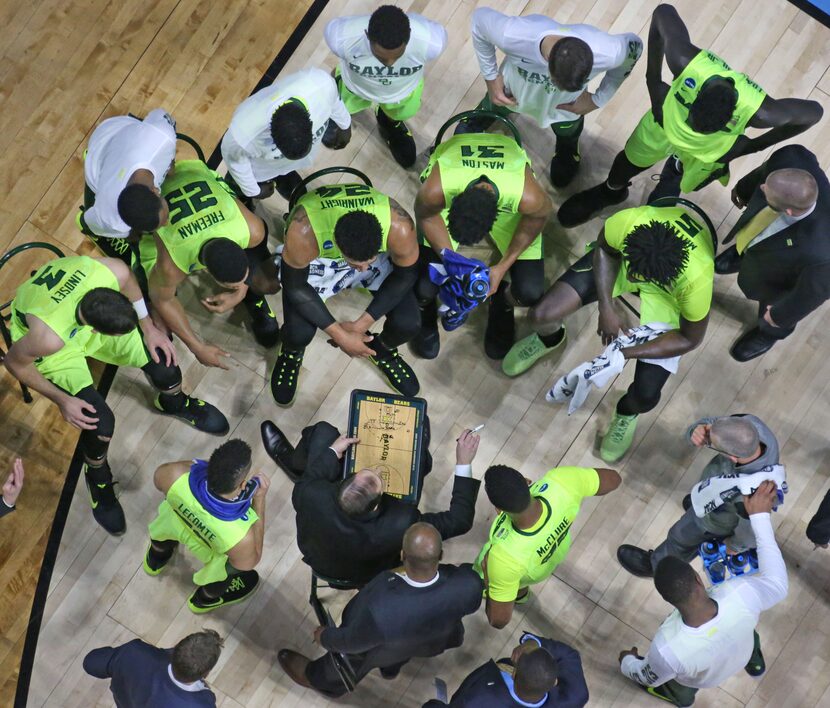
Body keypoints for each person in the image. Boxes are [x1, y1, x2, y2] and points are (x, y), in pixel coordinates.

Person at [4, 256, 228, 535]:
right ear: (96, 330)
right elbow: (13, 362)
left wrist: (148, 329)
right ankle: (96, 475)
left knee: (165, 365)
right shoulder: (47, 339)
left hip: (71, 319)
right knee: (100, 423)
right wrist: (62, 400)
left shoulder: (112, 270)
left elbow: (129, 282)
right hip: (58, 348)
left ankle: (173, 401)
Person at [557, 3, 823, 227]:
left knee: (688, 180)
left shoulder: (763, 112)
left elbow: (814, 114)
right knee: (628, 160)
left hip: (707, 150)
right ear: (696, 95)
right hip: (664, 123)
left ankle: (669, 183)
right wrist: (652, 81)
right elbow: (662, 11)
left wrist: (752, 147)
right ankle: (610, 191)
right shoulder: (686, 61)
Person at [503, 202, 715, 462]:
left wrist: (622, 352)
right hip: (625, 262)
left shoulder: (697, 279)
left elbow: (689, 338)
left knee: (646, 396)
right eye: (634, 274)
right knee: (540, 315)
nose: (635, 279)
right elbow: (605, 251)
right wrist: (606, 305)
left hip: (668, 298)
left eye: (641, 277)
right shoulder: (629, 222)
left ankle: (626, 413)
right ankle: (551, 339)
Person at [619, 481, 788, 706]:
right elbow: (777, 584)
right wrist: (760, 517)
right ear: (698, 579)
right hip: (742, 650)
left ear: (666, 599)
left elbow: (646, 674)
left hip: (705, 679)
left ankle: (680, 698)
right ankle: (754, 662)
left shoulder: (667, 649)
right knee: (748, 632)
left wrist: (626, 662)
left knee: (679, 688)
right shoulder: (741, 595)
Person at [252, 182, 421, 405]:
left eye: (366, 262)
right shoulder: (303, 232)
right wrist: (341, 336)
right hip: (320, 259)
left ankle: (381, 349)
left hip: (362, 251)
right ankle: (291, 353)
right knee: (298, 332)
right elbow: (296, 286)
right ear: (339, 247)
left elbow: (407, 275)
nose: (361, 268)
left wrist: (361, 325)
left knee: (408, 323)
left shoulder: (398, 224)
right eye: (355, 263)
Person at [262, 418, 481, 585]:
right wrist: (463, 462)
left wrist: (333, 451)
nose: (376, 468)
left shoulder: (309, 493)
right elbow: (460, 520)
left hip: (320, 561)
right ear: (376, 505)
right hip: (365, 576)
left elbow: (312, 478)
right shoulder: (402, 523)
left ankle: (295, 465)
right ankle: (419, 455)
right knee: (420, 463)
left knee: (323, 431)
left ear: (343, 483)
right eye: (377, 477)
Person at [278, 522, 483, 697]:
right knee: (400, 655)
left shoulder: (381, 604)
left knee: (358, 659)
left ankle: (318, 679)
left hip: (383, 647)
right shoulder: (469, 583)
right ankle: (390, 669)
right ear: (441, 555)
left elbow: (351, 642)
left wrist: (325, 637)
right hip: (432, 642)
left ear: (403, 554)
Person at [412, 123, 553, 360]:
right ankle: (425, 309)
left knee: (530, 291)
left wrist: (501, 267)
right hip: (457, 172)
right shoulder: (436, 190)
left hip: (506, 184)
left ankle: (502, 302)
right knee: (422, 286)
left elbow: (535, 221)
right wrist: (451, 261)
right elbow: (427, 215)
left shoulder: (528, 197)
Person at [460, 7, 642, 188]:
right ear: (548, 66)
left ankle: (567, 150)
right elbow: (479, 20)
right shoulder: (514, 35)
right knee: (495, 104)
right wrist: (491, 77)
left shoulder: (608, 51)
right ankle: (482, 117)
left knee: (568, 131)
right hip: (510, 92)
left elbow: (635, 47)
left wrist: (598, 99)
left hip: (565, 109)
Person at [142, 158, 279, 362]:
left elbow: (253, 256)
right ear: (211, 275)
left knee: (269, 281)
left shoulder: (252, 229)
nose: (242, 283)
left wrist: (241, 291)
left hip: (187, 167)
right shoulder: (172, 264)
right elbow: (163, 300)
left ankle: (252, 300)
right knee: (158, 303)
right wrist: (197, 347)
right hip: (152, 192)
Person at [618, 414, 779, 577]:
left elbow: (752, 532)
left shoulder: (750, 497)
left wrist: (734, 546)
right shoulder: (750, 426)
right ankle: (698, 504)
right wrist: (698, 428)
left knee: (680, 537)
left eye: (711, 444)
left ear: (731, 457)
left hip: (714, 522)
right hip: (715, 495)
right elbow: (716, 424)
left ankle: (657, 566)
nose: (707, 438)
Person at [712, 144, 830, 361]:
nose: (763, 189)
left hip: (781, 278)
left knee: (769, 311)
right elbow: (764, 172)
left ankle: (767, 334)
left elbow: (811, 294)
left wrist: (779, 316)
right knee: (757, 233)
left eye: (766, 192)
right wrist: (744, 188)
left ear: (790, 211)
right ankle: (743, 254)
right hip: (763, 242)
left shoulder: (823, 255)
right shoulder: (791, 157)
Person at [475, 463, 621, 629]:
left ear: (498, 507)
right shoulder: (562, 482)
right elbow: (614, 479)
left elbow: (498, 620)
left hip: (513, 571)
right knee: (516, 584)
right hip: (553, 555)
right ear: (526, 481)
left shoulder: (503, 559)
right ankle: (520, 596)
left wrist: (488, 580)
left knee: (510, 583)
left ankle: (518, 594)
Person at [144, 439, 268, 613]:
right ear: (242, 485)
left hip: (177, 522)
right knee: (222, 576)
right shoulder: (241, 535)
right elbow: (249, 562)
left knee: (162, 531)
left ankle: (157, 558)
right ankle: (203, 600)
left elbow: (160, 480)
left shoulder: (173, 474)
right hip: (216, 546)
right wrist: (260, 499)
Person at [324, 5, 447, 167]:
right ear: (367, 35)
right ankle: (339, 114)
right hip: (354, 88)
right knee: (337, 101)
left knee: (400, 113)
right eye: (381, 57)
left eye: (397, 56)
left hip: (402, 93)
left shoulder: (432, 42)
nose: (389, 65)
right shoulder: (340, 37)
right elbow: (336, 69)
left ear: (409, 36)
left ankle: (388, 124)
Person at [220, 67, 351, 203]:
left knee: (290, 178)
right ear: (273, 139)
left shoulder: (320, 84)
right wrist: (253, 191)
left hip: (281, 167)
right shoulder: (242, 135)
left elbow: (334, 100)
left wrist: (345, 125)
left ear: (310, 123)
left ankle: (284, 176)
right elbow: (236, 164)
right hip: (257, 172)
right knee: (235, 190)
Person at [77, 108, 177, 263]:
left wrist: (170, 160)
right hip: (96, 165)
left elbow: (158, 114)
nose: (167, 222)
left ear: (155, 191)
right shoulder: (110, 218)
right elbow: (90, 221)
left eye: (165, 217)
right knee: (88, 224)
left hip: (111, 130)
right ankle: (91, 158)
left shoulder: (162, 135)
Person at [423, 630, 589, 707]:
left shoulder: (478, 700)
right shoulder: (576, 695)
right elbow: (569, 656)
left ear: (514, 672)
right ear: (553, 681)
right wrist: (534, 642)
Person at [83, 629, 222, 707]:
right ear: (206, 673)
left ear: (176, 648)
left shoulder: (135, 653)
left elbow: (91, 663)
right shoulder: (203, 704)